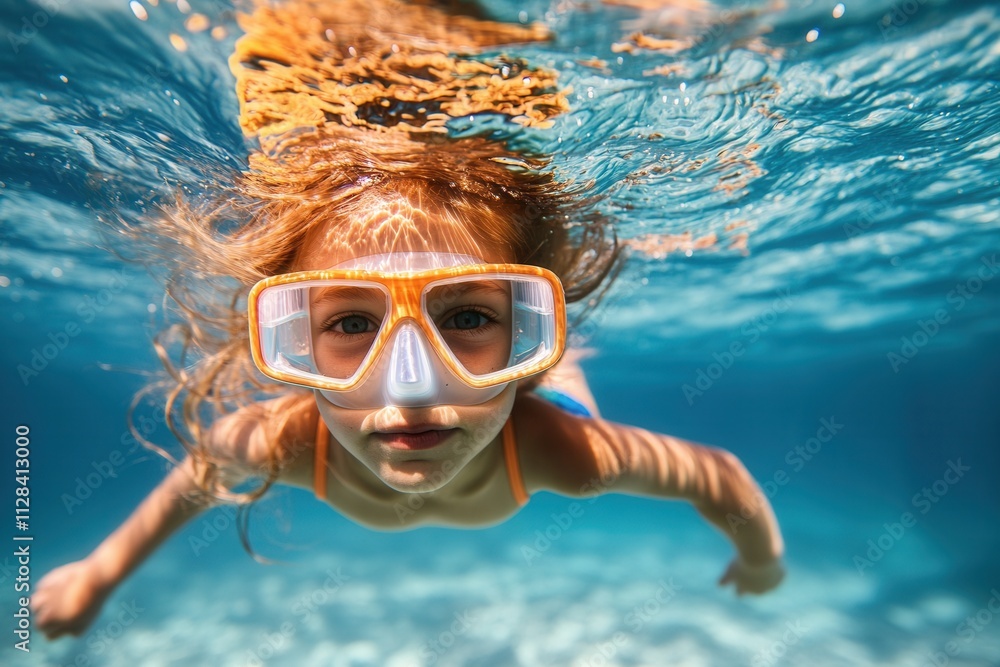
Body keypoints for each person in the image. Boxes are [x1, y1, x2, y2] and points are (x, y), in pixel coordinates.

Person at [31, 0, 784, 640]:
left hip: (537, 394)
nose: (412, 387)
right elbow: (196, 479)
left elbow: (720, 480)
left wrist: (761, 561)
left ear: (531, 322)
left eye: (465, 313)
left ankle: (539, 351)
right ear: (292, 339)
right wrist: (99, 574)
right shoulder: (280, 439)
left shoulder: (567, 450)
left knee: (556, 372)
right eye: (351, 325)